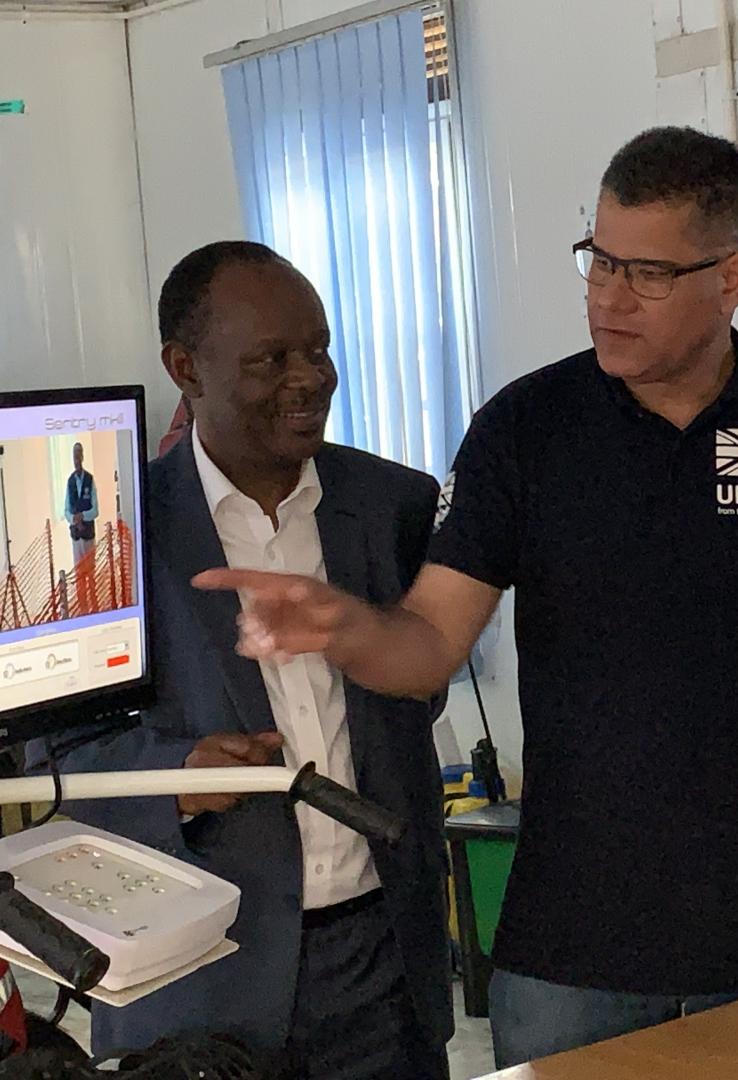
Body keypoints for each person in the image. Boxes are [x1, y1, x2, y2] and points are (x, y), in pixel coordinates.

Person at [195, 127, 738, 1067]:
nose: (607, 298)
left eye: (645, 273)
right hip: (576, 946)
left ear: (731, 279)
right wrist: (348, 628)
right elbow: (430, 644)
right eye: (598, 260)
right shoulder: (527, 428)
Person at [43, 242, 452, 1077]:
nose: (309, 378)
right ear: (185, 369)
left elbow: (422, 683)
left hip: (384, 963)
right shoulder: (107, 539)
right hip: (197, 983)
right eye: (271, 359)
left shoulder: (391, 504)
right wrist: (178, 776)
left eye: (319, 349)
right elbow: (50, 755)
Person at [64, 442, 99, 613]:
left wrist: (82, 516)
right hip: (76, 537)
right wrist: (73, 519)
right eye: (74, 457)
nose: (76, 460)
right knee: (79, 575)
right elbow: (66, 510)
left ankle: (95, 607)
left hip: (88, 536)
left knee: (91, 573)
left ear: (82, 457)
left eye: (78, 456)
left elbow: (95, 510)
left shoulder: (90, 480)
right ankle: (83, 610)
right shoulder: (70, 481)